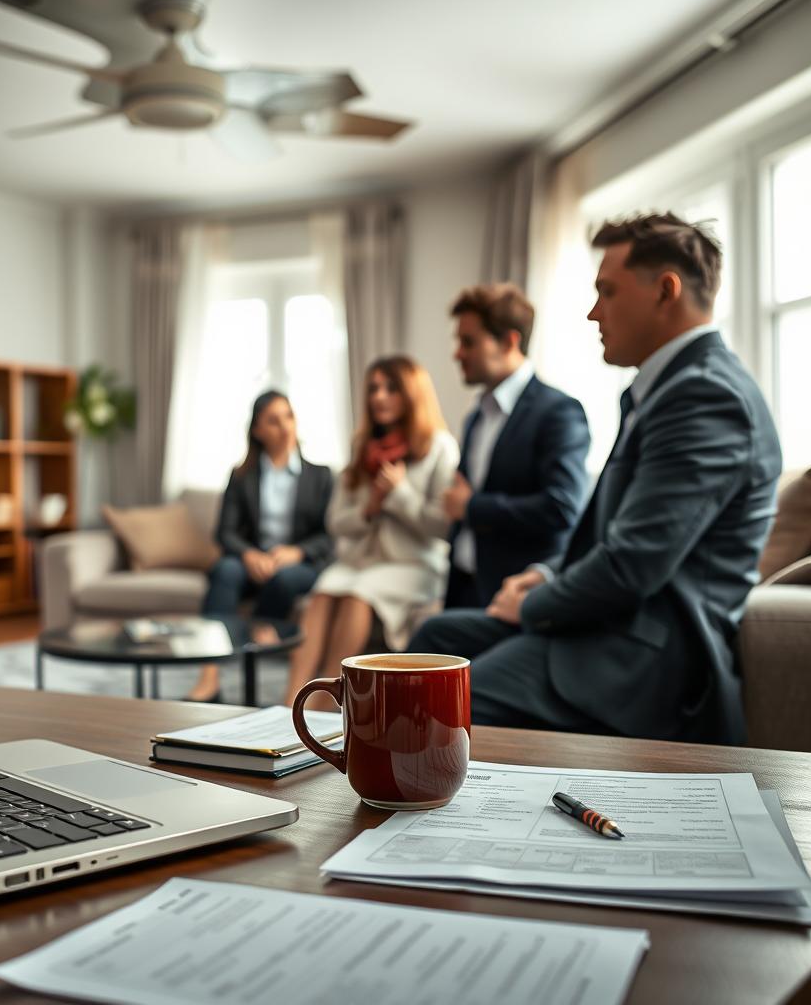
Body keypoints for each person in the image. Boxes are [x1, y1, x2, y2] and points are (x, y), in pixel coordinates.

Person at [408, 212, 782, 745]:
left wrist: (533, 605)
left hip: (644, 655)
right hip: (610, 625)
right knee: (434, 639)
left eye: (606, 292)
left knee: (446, 701)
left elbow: (632, 565)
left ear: (665, 291)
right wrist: (545, 573)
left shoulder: (705, 397)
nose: (592, 312)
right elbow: (618, 536)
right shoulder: (666, 391)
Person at [284, 356, 459, 707]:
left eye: (391, 388)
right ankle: (289, 704)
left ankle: (325, 706)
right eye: (374, 388)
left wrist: (399, 494)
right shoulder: (361, 448)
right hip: (362, 561)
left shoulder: (439, 447)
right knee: (322, 594)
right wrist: (370, 507)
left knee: (357, 595)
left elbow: (442, 526)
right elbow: (336, 521)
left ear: (412, 394)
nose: (379, 396)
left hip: (414, 564)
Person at [442, 283, 590, 608]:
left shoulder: (558, 412)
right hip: (463, 584)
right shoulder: (475, 417)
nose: (457, 353)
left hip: (513, 594)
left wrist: (472, 507)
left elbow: (562, 507)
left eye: (468, 342)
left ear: (509, 341)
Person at [186, 390, 333, 703]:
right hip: (252, 561)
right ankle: (210, 674)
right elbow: (224, 532)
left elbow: (328, 536)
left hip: (296, 565)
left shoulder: (320, 476)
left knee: (286, 578)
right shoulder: (242, 477)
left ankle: (259, 628)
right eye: (273, 420)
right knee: (224, 569)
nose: (285, 426)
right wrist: (249, 554)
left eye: (288, 417)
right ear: (257, 431)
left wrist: (297, 552)